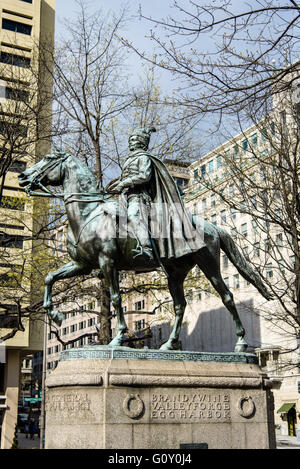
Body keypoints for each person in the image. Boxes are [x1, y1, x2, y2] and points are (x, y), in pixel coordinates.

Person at [107, 126, 204, 262]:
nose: (131, 141)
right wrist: (116, 184)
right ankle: (110, 257)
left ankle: (146, 249)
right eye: (130, 139)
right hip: (125, 198)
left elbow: (144, 176)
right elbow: (126, 177)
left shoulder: (144, 158)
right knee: (110, 220)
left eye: (134, 139)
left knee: (133, 216)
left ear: (141, 142)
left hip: (139, 197)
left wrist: (123, 183)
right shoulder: (129, 159)